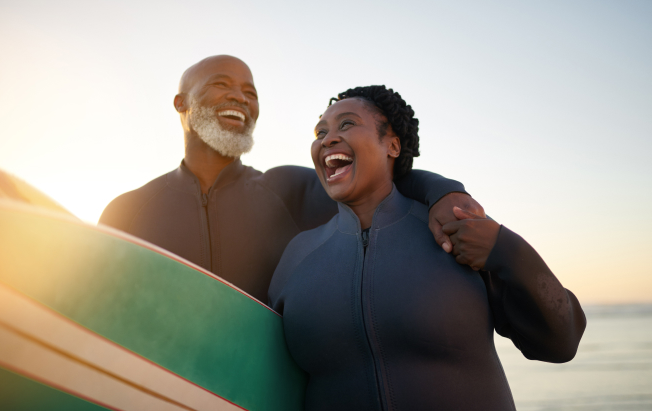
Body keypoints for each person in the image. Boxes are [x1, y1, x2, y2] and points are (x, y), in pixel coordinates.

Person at [268, 85, 586, 410]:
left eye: (346, 124)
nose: (328, 138)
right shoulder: (297, 255)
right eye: (320, 131)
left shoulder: (456, 227)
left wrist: (506, 249)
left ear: (392, 145)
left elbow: (561, 343)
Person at [99, 55, 484, 303]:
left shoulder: (289, 189)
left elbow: (382, 180)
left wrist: (445, 193)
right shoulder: (127, 210)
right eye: (222, 84)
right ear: (181, 103)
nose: (240, 98)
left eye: (250, 92)